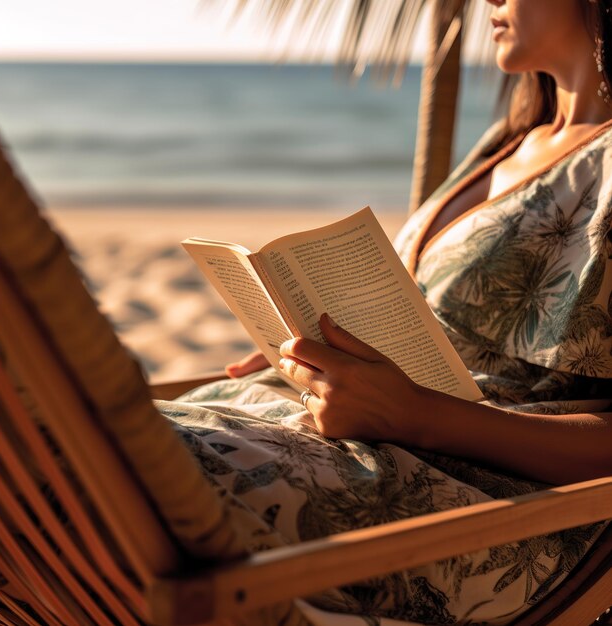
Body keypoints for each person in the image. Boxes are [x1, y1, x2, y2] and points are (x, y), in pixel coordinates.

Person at [157, 0, 612, 623]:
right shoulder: (516, 142)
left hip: (484, 493)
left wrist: (414, 415)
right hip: (365, 424)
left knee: (155, 473)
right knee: (102, 437)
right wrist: (312, 341)